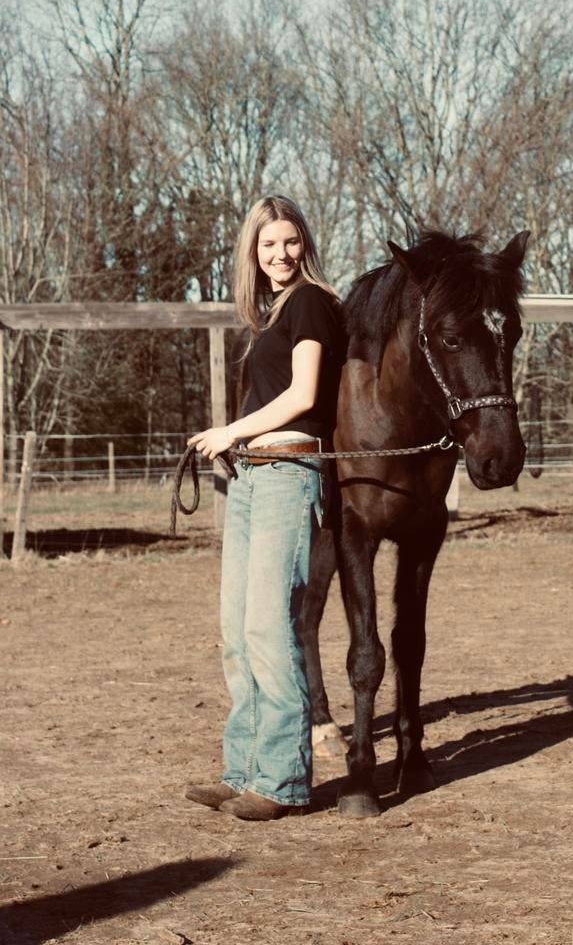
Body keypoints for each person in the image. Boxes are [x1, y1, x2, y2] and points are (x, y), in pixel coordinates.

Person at [185, 195, 343, 821]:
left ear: (305, 242)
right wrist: (236, 445)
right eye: (267, 245)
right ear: (252, 251)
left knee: (270, 628)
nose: (280, 255)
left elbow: (305, 395)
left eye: (290, 241)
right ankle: (243, 770)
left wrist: (231, 430)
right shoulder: (269, 314)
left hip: (287, 472)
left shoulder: (310, 303)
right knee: (236, 632)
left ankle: (282, 781)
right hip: (252, 475)